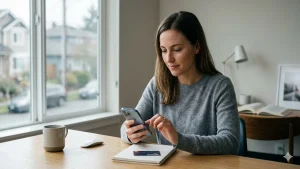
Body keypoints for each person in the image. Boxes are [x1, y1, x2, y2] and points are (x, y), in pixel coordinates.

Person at [120, 11, 239, 155]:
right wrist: (130, 134)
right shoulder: (157, 84)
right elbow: (126, 128)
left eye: (177, 49)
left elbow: (230, 142)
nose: (169, 58)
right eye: (163, 51)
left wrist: (179, 139)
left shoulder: (220, 86)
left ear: (196, 47)